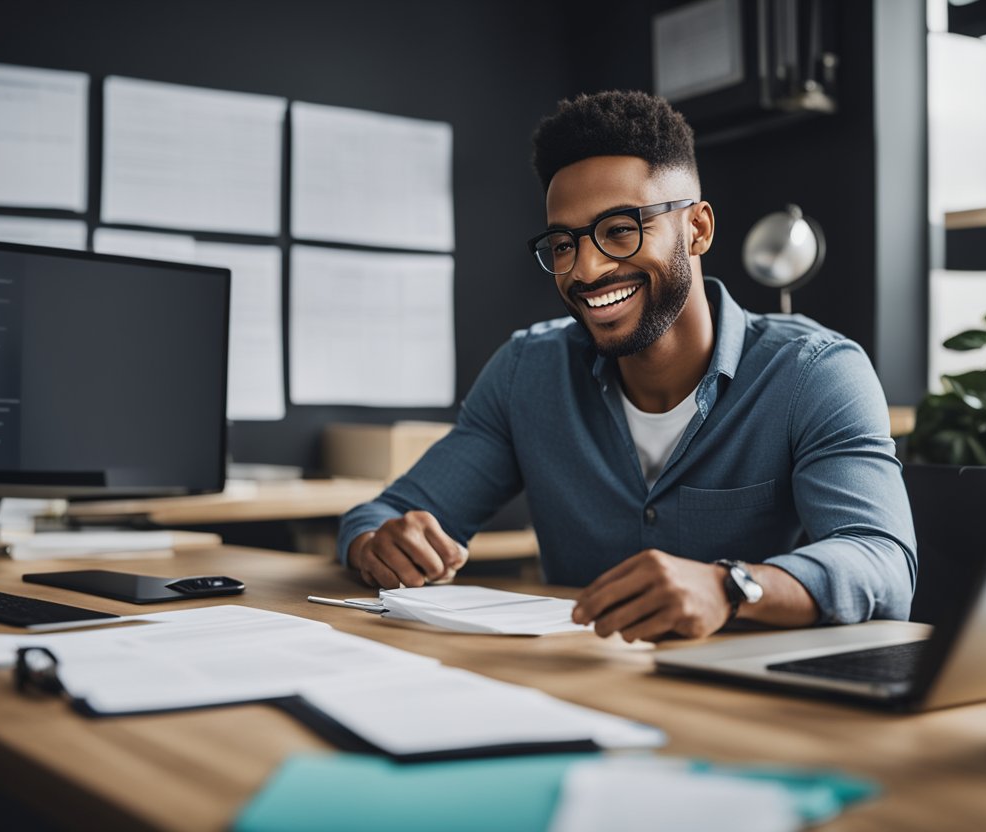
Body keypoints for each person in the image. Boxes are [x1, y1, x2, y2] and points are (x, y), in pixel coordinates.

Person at [338, 90, 916, 642]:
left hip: (755, 694)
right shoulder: (527, 373)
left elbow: (882, 560)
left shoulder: (814, 374)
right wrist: (378, 544)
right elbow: (381, 513)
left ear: (698, 229)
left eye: (620, 230)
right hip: (582, 690)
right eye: (564, 244)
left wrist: (731, 586)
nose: (585, 270)